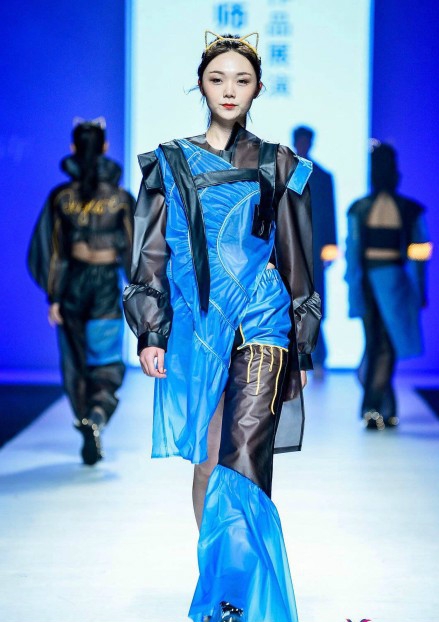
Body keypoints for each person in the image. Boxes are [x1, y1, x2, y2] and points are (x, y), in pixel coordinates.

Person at [124, 32, 321, 622]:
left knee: (245, 455)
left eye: (242, 80)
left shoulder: (281, 165)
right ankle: (219, 582)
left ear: (258, 88)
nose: (229, 90)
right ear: (201, 86)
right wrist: (151, 330)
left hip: (263, 322)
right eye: (217, 79)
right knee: (209, 461)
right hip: (197, 325)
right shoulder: (168, 163)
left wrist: (302, 346)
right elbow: (151, 252)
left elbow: (297, 260)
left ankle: (237, 596)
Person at [28, 119, 135, 465]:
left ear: (73, 148)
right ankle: (97, 414)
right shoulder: (120, 199)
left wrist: (54, 296)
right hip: (105, 286)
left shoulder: (61, 198)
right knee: (105, 357)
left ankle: (84, 417)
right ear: (105, 148)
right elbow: (136, 251)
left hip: (72, 284)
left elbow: (51, 250)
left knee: (74, 361)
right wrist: (142, 295)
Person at [345, 142, 431, 430]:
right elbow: (419, 253)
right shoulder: (409, 209)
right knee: (386, 346)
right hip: (393, 282)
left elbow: (353, 252)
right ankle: (373, 407)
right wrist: (420, 288)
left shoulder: (359, 208)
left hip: (368, 282)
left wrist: (354, 286)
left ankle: (383, 407)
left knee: (376, 344)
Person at [293, 125, 338, 375]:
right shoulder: (286, 174)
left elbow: (329, 214)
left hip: (315, 248)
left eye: (305, 142)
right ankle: (296, 356)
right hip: (291, 248)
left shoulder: (322, 176)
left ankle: (318, 357)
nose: (303, 146)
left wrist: (330, 249)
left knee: (316, 300)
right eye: (300, 141)